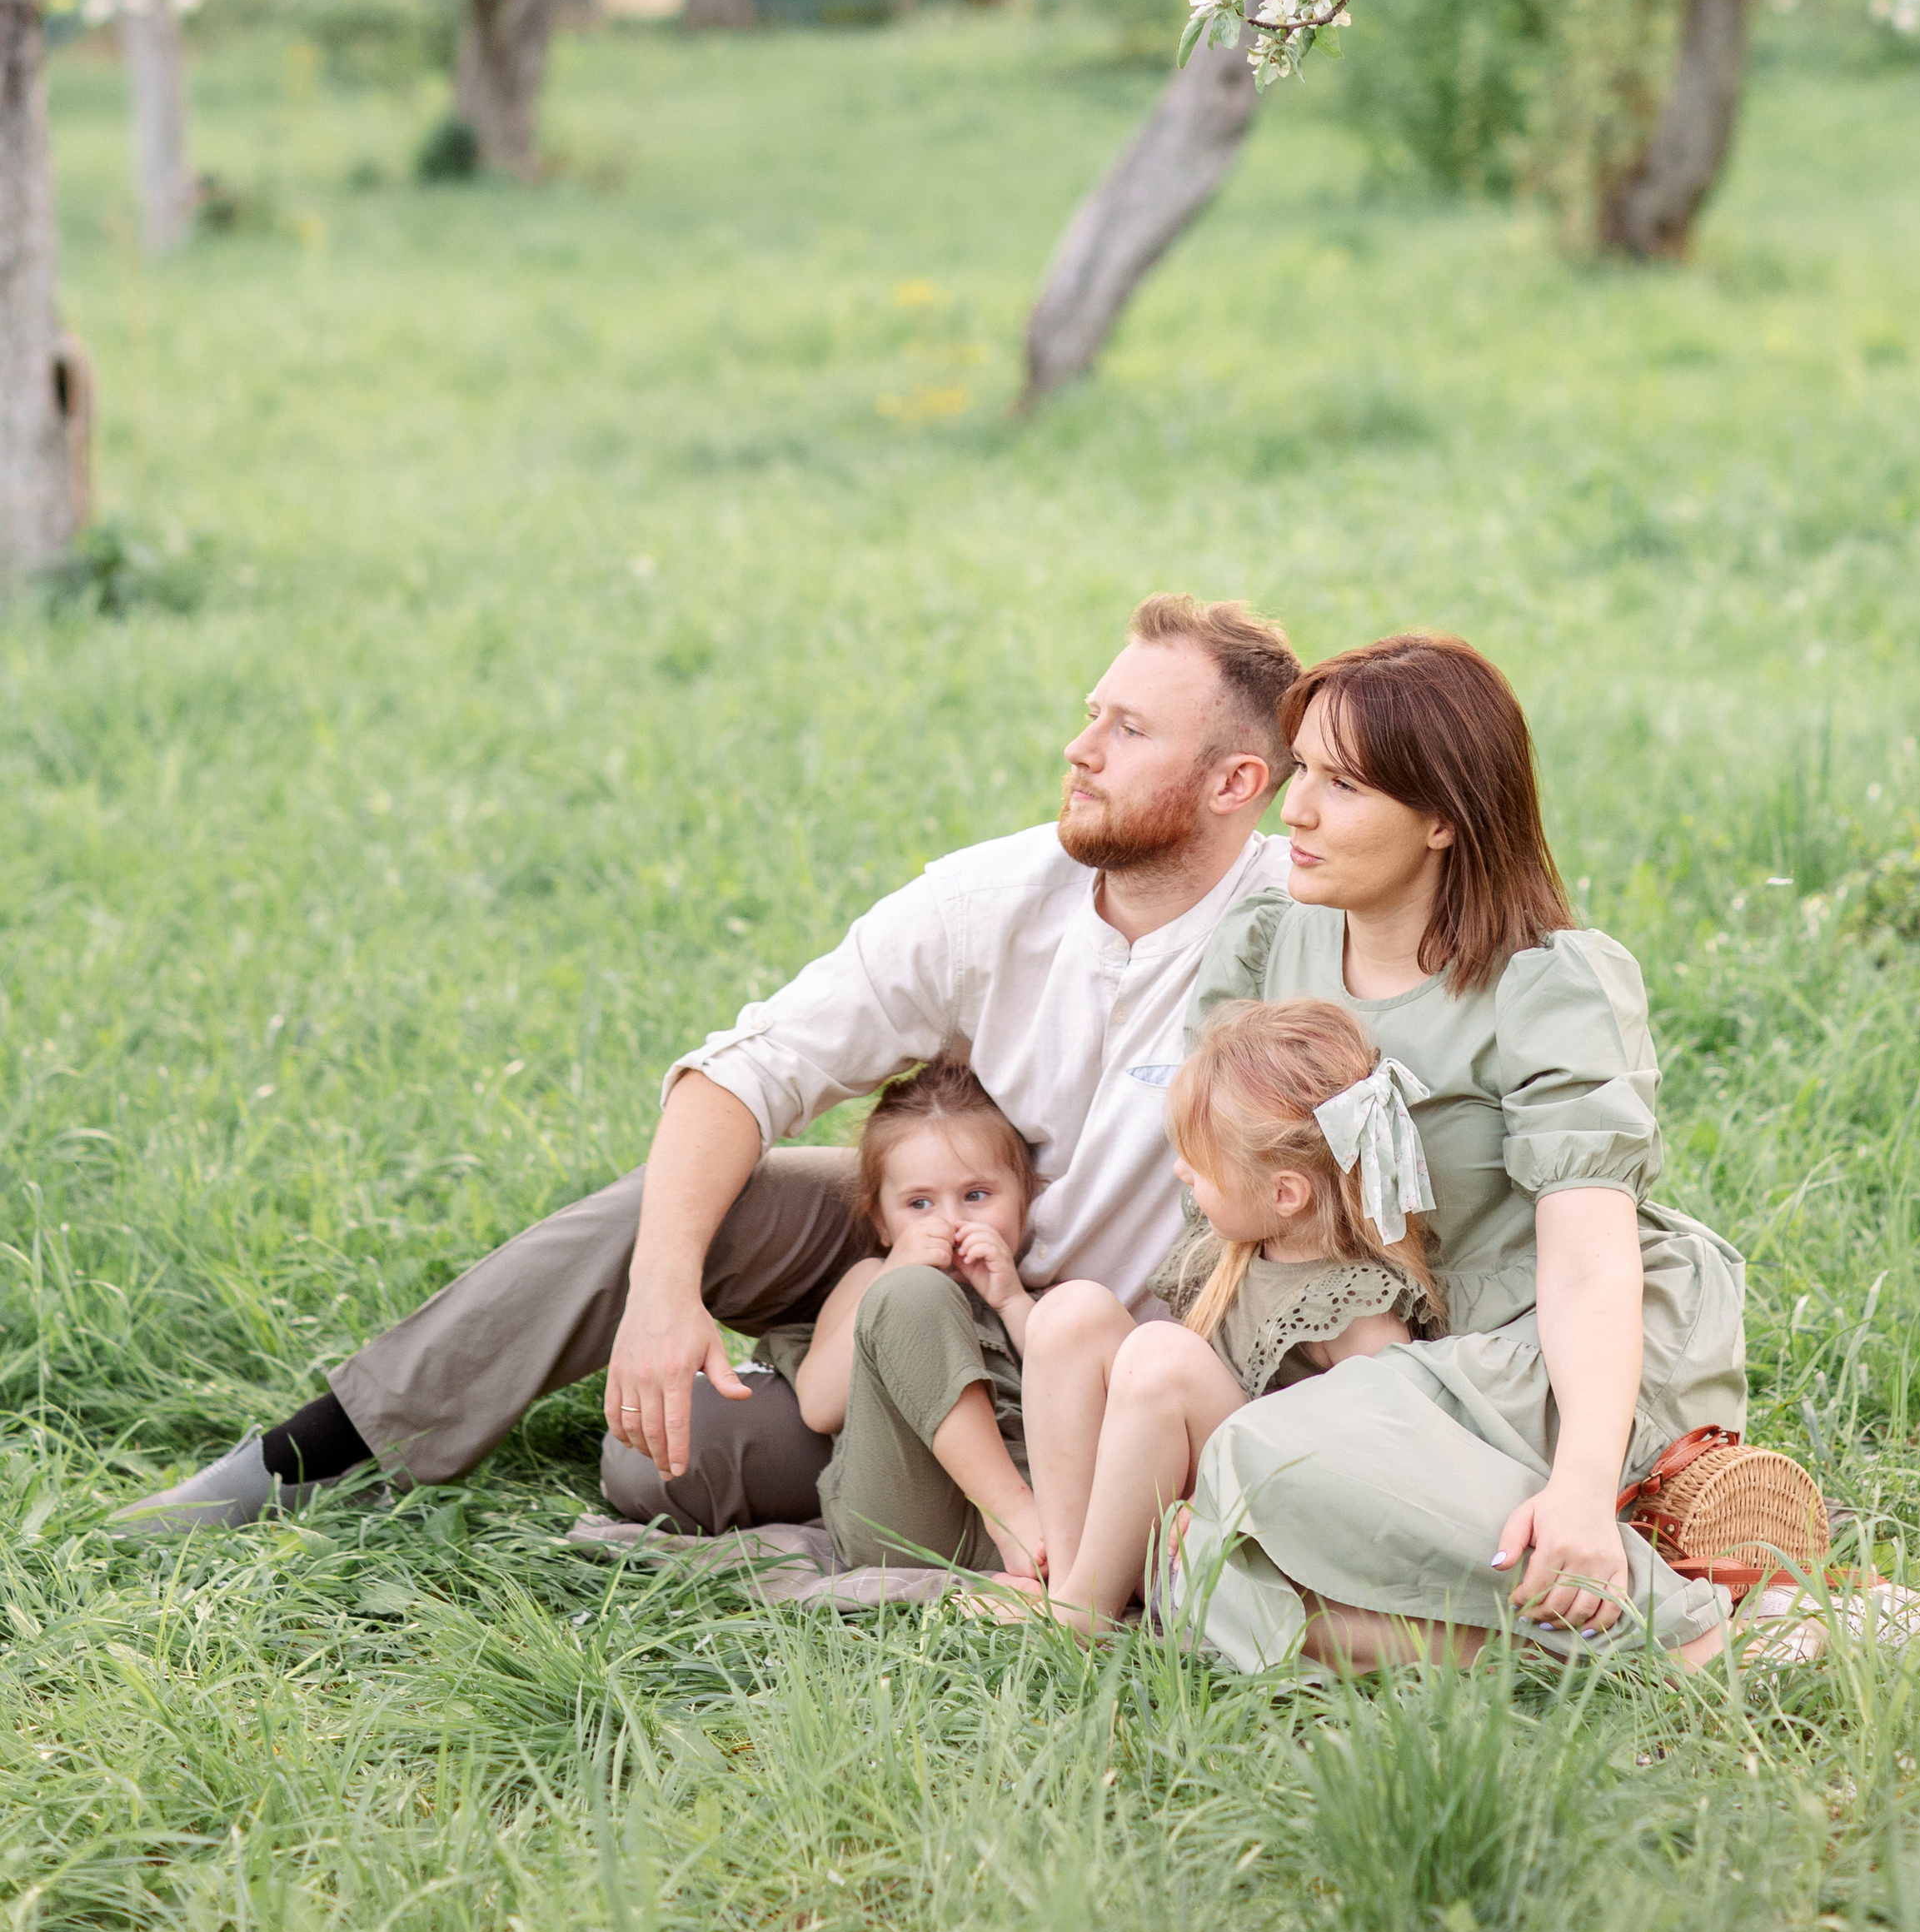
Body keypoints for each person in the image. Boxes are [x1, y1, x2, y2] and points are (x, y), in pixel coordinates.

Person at [112, 593, 1300, 1537]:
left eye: (1128, 732)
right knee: (678, 1206)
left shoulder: (1301, 938)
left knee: (658, 1472)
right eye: (1092, 713)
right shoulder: (994, 896)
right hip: (941, 1234)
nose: (1079, 750)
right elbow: (747, 1069)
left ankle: (877, 1426)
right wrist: (663, 1291)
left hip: (1087, 1353)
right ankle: (313, 1453)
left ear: (1234, 784)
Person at [1165, 631, 1749, 1678]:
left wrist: (1581, 1484)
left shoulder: (1545, 985)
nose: (1295, 811)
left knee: (1256, 1458)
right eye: (1302, 771)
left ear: (1443, 818)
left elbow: (1589, 1263)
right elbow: (1218, 1187)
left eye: (1342, 785)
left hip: (1539, 1352)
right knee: (1194, 1571)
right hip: (1364, 1348)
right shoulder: (1268, 941)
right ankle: (1631, 1656)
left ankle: (1668, 1610)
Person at [1000, 997, 1439, 1633]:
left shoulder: (1356, 1307)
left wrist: (1224, 1509)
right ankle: (1078, 1589)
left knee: (1162, 1358)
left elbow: (1373, 1474)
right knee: (1071, 1312)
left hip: (1250, 1543)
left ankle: (1087, 1609)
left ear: (1285, 1193)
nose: (1181, 1171)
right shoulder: (1234, 1252)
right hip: (1169, 1521)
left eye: (1200, 1165)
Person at [777, 1057, 1045, 1576]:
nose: (951, 1221)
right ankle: (1008, 1512)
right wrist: (895, 1273)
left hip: (1038, 1516)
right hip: (903, 1520)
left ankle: (1028, 1558)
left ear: (1024, 1199)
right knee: (911, 1295)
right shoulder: (871, 1281)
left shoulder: (1035, 1294)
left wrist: (1012, 1303)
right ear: (880, 1221)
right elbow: (819, 1407)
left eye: (976, 1196)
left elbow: (1073, 1387)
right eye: (919, 1204)